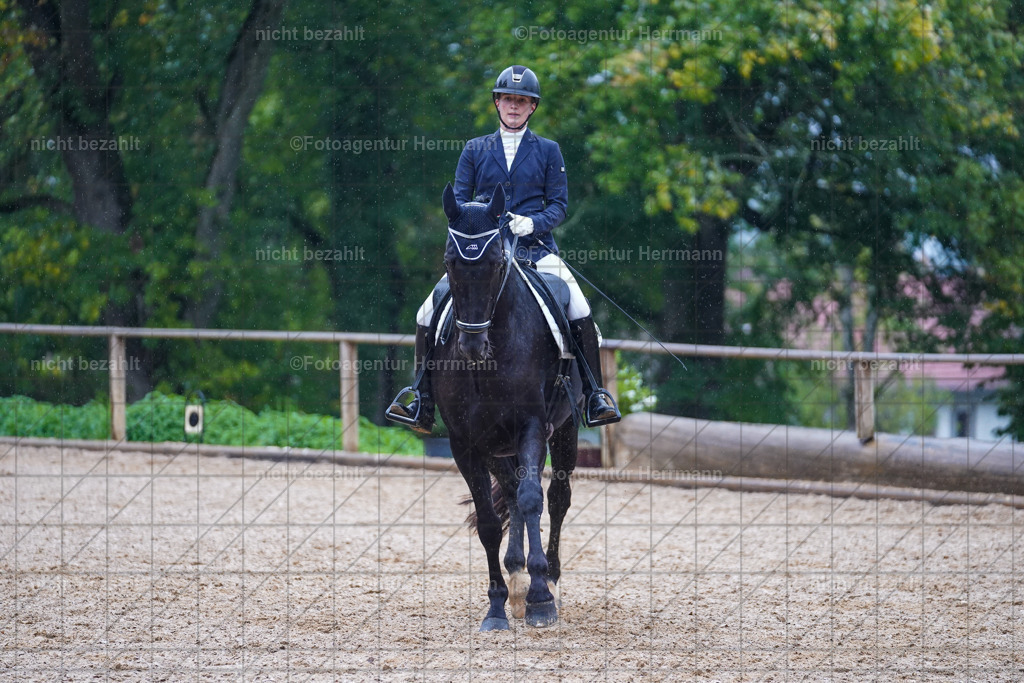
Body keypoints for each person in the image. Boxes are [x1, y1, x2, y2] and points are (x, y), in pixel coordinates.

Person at [386, 65, 620, 433]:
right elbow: (459, 203)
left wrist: (532, 223)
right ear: (497, 103)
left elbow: (558, 205)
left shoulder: (548, 150)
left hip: (535, 251)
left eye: (522, 101)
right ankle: (421, 398)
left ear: (532, 108)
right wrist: (485, 220)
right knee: (426, 311)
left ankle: (594, 395)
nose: (514, 106)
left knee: (580, 306)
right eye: (508, 99)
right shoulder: (475, 149)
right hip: (481, 256)